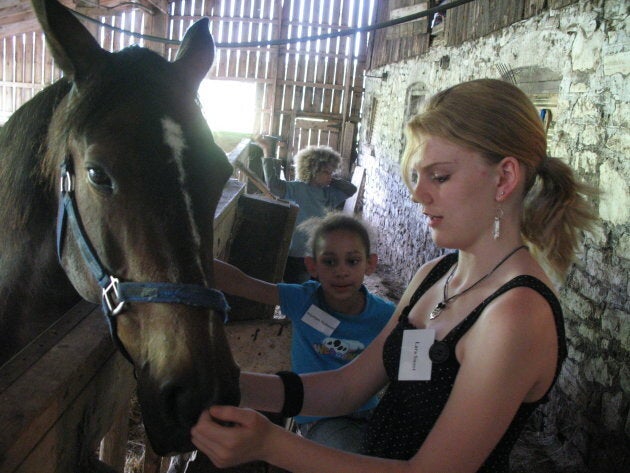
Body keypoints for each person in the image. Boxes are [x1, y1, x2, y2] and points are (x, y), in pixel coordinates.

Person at [192, 78, 599, 473]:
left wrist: (272, 444)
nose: (419, 193)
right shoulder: (434, 276)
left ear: (504, 178)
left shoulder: (515, 314)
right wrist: (228, 384)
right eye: (416, 176)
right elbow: (349, 387)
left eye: (439, 176)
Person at [213, 212, 396, 453]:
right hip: (319, 416)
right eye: (329, 262)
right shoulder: (303, 300)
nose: (341, 271)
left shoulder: (387, 315)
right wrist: (190, 257)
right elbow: (241, 283)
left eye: (352, 261)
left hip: (370, 410)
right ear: (312, 266)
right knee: (348, 456)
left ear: (370, 264)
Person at [256, 138, 357, 283]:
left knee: (318, 292)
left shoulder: (327, 193)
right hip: (297, 255)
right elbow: (274, 186)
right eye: (326, 172)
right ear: (312, 170)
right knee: (299, 292)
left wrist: (329, 177)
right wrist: (267, 152)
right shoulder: (296, 188)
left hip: (320, 253)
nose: (330, 176)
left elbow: (351, 189)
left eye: (331, 172)